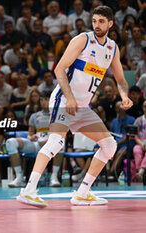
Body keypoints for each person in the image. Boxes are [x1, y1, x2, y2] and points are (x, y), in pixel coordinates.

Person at [17, 6, 133, 207]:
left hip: (82, 107)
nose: (97, 25)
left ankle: (82, 192)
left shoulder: (112, 48)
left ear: (110, 24)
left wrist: (124, 96)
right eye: (94, 20)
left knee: (109, 145)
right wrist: (69, 97)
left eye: (101, 22)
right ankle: (28, 191)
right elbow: (59, 68)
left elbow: (121, 80)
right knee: (55, 143)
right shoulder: (83, 40)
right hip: (64, 100)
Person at [6, 92, 63, 187]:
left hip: (52, 143)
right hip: (36, 144)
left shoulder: (58, 115)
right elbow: (30, 134)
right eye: (41, 99)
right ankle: (20, 178)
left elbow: (61, 133)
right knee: (10, 142)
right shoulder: (34, 116)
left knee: (61, 143)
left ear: (52, 100)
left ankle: (54, 177)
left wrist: (48, 141)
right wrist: (31, 137)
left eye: (46, 99)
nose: (43, 102)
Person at [133, 99, 146, 181]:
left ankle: (140, 172)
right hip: (141, 143)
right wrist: (142, 144)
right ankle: (139, 172)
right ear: (142, 107)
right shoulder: (138, 120)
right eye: (145, 106)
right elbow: (135, 135)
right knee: (136, 150)